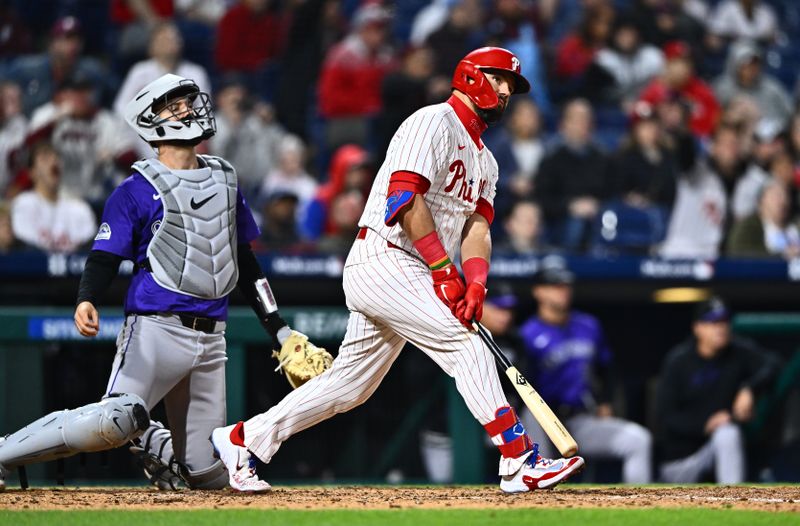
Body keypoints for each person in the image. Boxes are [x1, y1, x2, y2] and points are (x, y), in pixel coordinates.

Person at [209, 47, 585, 493]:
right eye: (498, 78)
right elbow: (405, 199)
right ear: (470, 75)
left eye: (512, 86)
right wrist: (445, 269)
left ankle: (242, 439)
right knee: (464, 344)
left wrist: (477, 280)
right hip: (385, 257)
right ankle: (517, 458)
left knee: (350, 387)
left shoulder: (487, 160)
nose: (505, 91)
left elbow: (478, 226)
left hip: (415, 269)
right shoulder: (431, 122)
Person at [0, 74, 325, 492]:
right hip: (155, 330)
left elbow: (244, 260)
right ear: (152, 123)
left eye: (187, 101)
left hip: (212, 341)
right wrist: (86, 299)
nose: (187, 109)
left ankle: (152, 440)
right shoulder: (135, 189)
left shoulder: (226, 179)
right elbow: (103, 257)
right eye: (175, 105)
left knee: (210, 476)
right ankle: (6, 452)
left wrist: (279, 329)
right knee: (115, 419)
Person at [519, 264, 653, 484]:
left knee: (638, 440)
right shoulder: (527, 334)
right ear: (538, 291)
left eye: (565, 286)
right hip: (543, 423)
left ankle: (640, 511)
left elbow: (607, 367)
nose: (562, 291)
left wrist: (605, 401)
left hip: (580, 418)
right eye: (555, 286)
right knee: (540, 461)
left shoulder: (588, 326)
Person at [655, 296, 780, 483]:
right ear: (697, 328)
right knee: (725, 432)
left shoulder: (738, 352)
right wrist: (704, 425)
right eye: (713, 322)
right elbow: (665, 417)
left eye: (724, 322)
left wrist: (749, 389)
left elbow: (773, 364)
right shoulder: (679, 361)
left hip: (717, 449)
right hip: (682, 461)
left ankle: (733, 502)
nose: (720, 328)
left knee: (727, 433)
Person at [10, 141, 96, 253]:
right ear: (32, 172)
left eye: (56, 157)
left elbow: (88, 251)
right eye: (45, 158)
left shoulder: (80, 208)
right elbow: (26, 250)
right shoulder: (23, 204)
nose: (53, 161)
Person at [727, 180, 800, 259]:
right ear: (761, 202)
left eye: (786, 196)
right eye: (776, 196)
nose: (783, 201)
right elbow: (741, 254)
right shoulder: (747, 228)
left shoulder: (795, 225)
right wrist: (781, 256)